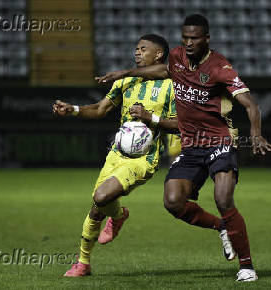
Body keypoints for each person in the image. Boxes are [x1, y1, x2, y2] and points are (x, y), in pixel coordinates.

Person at [96, 14, 271, 282]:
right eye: (185, 38)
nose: (189, 43)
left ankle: (247, 266)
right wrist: (125, 72)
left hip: (220, 141)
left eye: (195, 38)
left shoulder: (220, 67)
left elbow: (250, 104)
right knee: (173, 201)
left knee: (223, 198)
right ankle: (222, 226)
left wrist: (257, 134)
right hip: (191, 146)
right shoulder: (177, 58)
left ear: (206, 39)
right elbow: (162, 70)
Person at [54, 34, 179, 277]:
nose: (137, 53)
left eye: (143, 49)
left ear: (159, 54)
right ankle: (83, 263)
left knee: (101, 196)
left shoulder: (171, 84)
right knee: (97, 205)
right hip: (116, 153)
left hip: (143, 158)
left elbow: (177, 123)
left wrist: (149, 118)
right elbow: (101, 109)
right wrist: (74, 110)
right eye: (136, 49)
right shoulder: (125, 82)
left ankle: (119, 215)